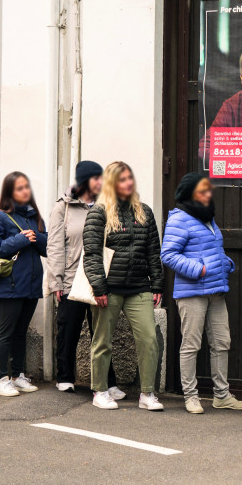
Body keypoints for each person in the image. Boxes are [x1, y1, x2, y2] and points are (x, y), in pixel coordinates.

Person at [161, 172, 242, 414]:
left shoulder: (208, 217)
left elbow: (209, 249)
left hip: (216, 290)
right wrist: (200, 269)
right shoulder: (180, 218)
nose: (209, 194)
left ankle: (222, 395)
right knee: (191, 344)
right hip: (192, 292)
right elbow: (168, 254)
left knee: (222, 342)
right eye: (203, 190)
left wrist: (224, 262)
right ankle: (191, 396)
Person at [82, 161, 164, 412]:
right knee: (102, 341)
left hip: (139, 286)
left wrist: (157, 283)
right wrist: (98, 288)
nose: (128, 183)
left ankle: (147, 394)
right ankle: (99, 390)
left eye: (130, 178)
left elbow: (153, 251)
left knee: (149, 339)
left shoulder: (145, 212)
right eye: (122, 179)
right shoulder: (99, 212)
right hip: (110, 287)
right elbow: (92, 254)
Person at [47, 160, 124, 397]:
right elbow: (55, 246)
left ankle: (108, 382)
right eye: (96, 178)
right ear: (85, 181)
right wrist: (56, 281)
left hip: (100, 278)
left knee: (101, 332)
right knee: (68, 329)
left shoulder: (107, 206)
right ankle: (65, 377)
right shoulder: (64, 208)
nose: (101, 182)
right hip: (72, 278)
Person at [0, 172, 48, 397]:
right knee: (6, 332)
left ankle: (17, 376)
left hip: (31, 284)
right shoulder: (0, 217)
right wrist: (20, 239)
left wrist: (35, 237)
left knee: (21, 332)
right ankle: (0, 379)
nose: (25, 192)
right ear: (10, 192)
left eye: (26, 187)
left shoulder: (34, 217)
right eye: (19, 188)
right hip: (9, 283)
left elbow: (48, 247)